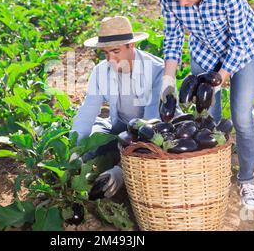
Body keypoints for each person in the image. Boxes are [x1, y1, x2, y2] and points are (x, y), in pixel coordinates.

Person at [160, 0, 254, 210]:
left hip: (243, 51)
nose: (181, 2)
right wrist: (168, 80)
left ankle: (247, 180)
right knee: (207, 120)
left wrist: (221, 78)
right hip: (204, 53)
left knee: (241, 116)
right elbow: (173, 37)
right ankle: (215, 174)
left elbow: (240, 42)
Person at [71, 15, 180, 198]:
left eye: (115, 51)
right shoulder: (100, 71)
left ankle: (125, 167)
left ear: (131, 46)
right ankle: (84, 164)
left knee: (161, 150)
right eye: (106, 53)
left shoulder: (157, 70)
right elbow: (87, 112)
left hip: (156, 130)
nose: (111, 59)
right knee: (92, 135)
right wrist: (75, 150)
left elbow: (150, 125)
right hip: (119, 128)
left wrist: (121, 172)